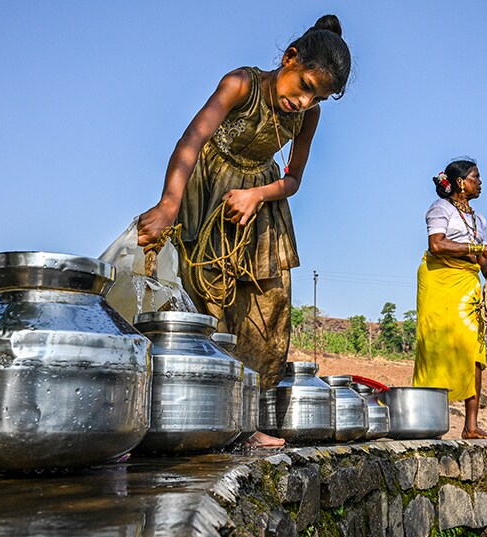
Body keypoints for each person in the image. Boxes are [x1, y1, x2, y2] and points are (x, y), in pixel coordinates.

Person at [135, 16, 351, 446]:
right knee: (202, 301)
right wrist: (168, 205)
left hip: (260, 203)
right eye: (305, 86)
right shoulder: (241, 84)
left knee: (267, 307)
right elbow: (191, 142)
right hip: (206, 193)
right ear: (290, 59)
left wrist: (258, 196)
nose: (305, 102)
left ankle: (248, 423)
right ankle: (187, 418)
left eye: (317, 96)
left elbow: (293, 180)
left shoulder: (309, 116)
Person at [413, 158, 487, 439]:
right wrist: (478, 248)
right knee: (435, 345)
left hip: (468, 283)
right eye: (476, 177)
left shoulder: (480, 219)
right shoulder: (440, 209)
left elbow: (481, 260)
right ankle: (427, 421)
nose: (480, 182)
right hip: (439, 282)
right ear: (461, 182)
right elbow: (436, 244)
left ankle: (471, 426)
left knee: (473, 350)